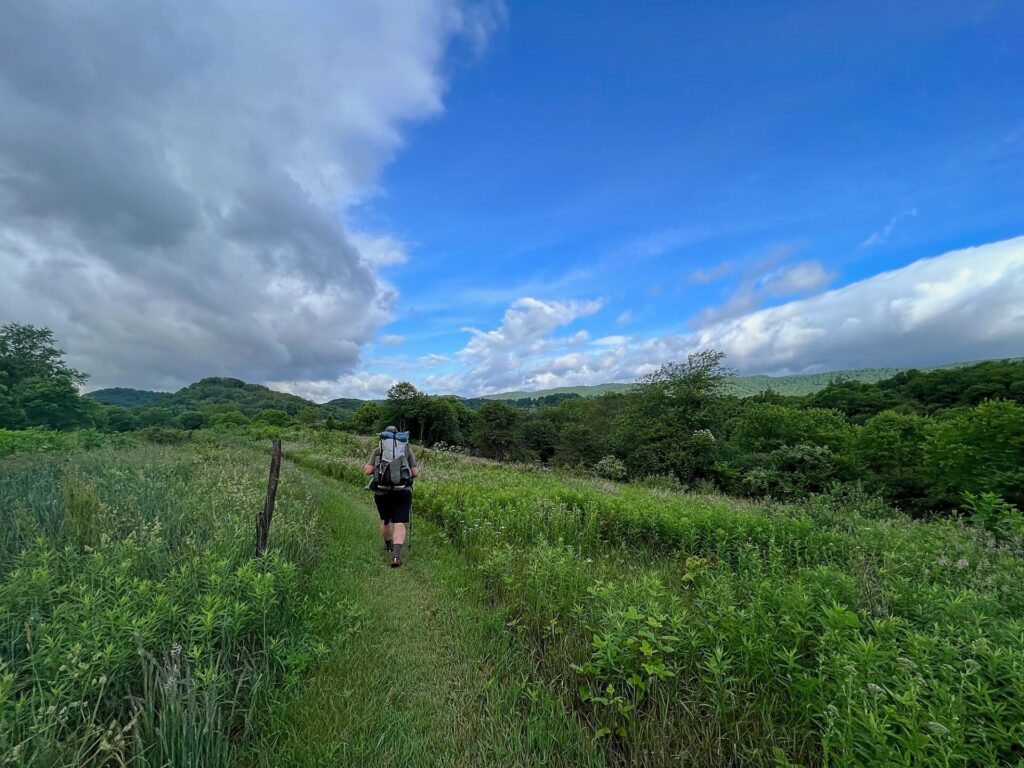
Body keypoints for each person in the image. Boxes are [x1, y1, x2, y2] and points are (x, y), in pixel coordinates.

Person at [363, 426, 419, 567]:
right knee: (399, 523)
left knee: (385, 521)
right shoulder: (406, 449)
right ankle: (396, 556)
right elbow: (415, 472)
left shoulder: (379, 450)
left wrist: (374, 468)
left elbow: (368, 471)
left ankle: (389, 547)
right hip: (402, 491)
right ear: (397, 435)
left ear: (385, 436)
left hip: (382, 492)